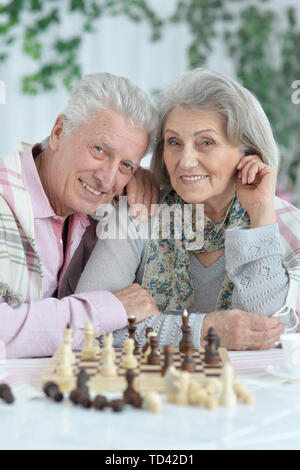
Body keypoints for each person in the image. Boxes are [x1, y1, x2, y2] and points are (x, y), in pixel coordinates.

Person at [74, 68, 300, 350]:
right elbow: (86, 326)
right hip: (148, 388)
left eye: (206, 142)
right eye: (174, 142)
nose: (186, 161)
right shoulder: (139, 211)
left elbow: (263, 335)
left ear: (248, 152)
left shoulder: (289, 228)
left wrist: (260, 217)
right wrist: (201, 331)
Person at [0, 72, 161, 359]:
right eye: (99, 150)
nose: (107, 179)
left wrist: (146, 179)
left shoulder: (104, 208)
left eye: (126, 165)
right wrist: (109, 307)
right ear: (59, 131)